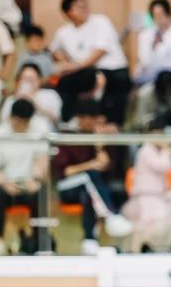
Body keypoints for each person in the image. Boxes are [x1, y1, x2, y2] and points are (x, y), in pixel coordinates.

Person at [52, 100, 133, 255]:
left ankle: (90, 239)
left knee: (88, 195)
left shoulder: (94, 136)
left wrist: (99, 144)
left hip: (89, 188)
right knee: (89, 176)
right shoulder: (67, 136)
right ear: (82, 118)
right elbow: (66, 171)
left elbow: (103, 164)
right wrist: (89, 165)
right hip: (67, 186)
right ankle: (111, 215)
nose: (95, 123)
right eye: (92, 119)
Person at [50, 0, 132, 124]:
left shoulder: (100, 21)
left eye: (85, 5)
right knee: (62, 82)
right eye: (78, 7)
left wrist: (74, 66)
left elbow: (100, 52)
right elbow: (54, 50)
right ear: (68, 12)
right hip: (86, 73)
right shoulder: (63, 32)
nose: (84, 9)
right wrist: (64, 61)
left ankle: (113, 126)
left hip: (111, 70)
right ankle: (68, 121)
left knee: (114, 88)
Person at [0, 98, 49, 255]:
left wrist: (36, 179)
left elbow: (42, 160)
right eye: (18, 121)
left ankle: (38, 240)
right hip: (6, 183)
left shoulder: (38, 131)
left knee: (41, 196)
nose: (21, 125)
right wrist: (5, 183)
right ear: (11, 117)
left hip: (29, 182)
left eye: (25, 122)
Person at [121, 112, 171, 253]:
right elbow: (166, 166)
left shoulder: (154, 150)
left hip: (157, 196)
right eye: (159, 133)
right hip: (146, 196)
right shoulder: (146, 150)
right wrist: (166, 149)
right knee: (146, 227)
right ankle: (135, 253)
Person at [135, 0, 171, 90]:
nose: (158, 19)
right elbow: (144, 60)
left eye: (161, 15)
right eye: (155, 16)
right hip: (151, 79)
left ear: (169, 14)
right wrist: (154, 47)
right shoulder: (145, 35)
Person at [1, 62, 63, 128]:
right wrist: (18, 103)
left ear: (39, 80)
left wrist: (33, 102)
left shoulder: (50, 94)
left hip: (43, 132)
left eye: (31, 79)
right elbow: (3, 121)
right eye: (24, 79)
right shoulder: (12, 99)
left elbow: (57, 118)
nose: (27, 83)